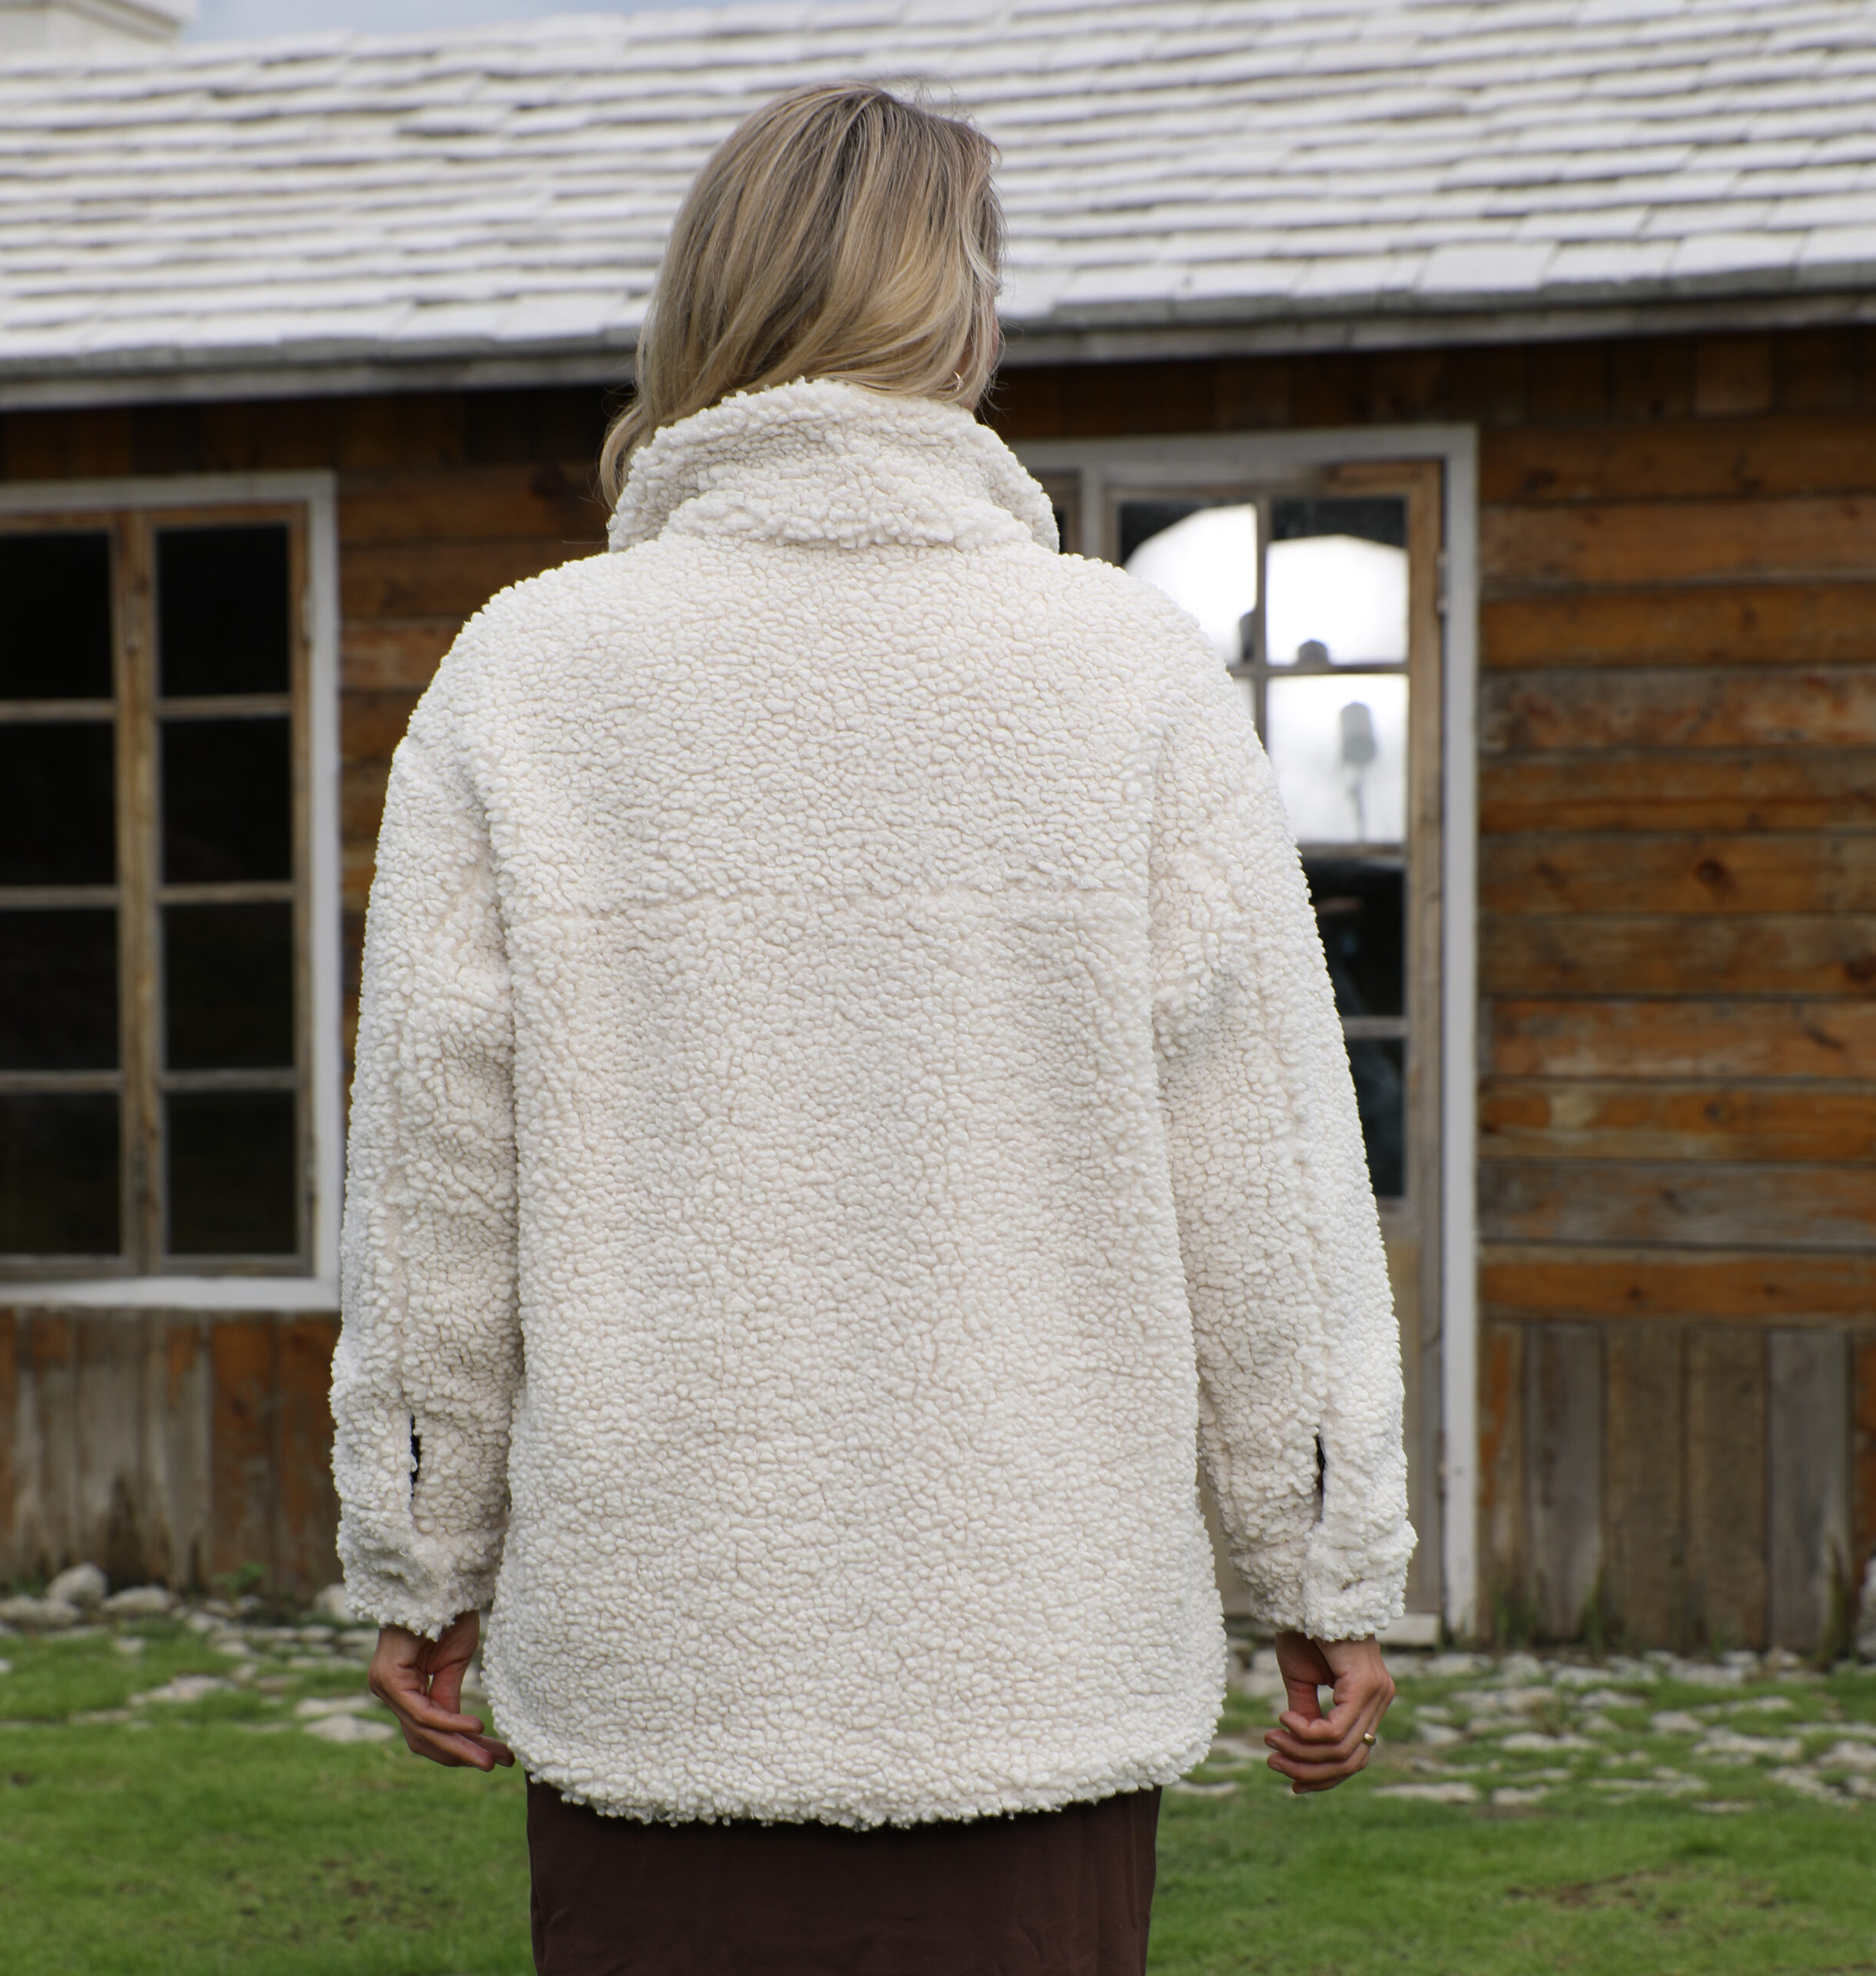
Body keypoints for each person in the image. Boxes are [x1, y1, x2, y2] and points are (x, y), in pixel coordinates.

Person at [331, 80, 1414, 1976]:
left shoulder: (532, 672)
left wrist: (422, 1550)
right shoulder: (1121, 669)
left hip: (669, 1642)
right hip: (1034, 1641)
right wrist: (1318, 1561)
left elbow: (435, 1178)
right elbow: (1264, 1170)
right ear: (955, 314)